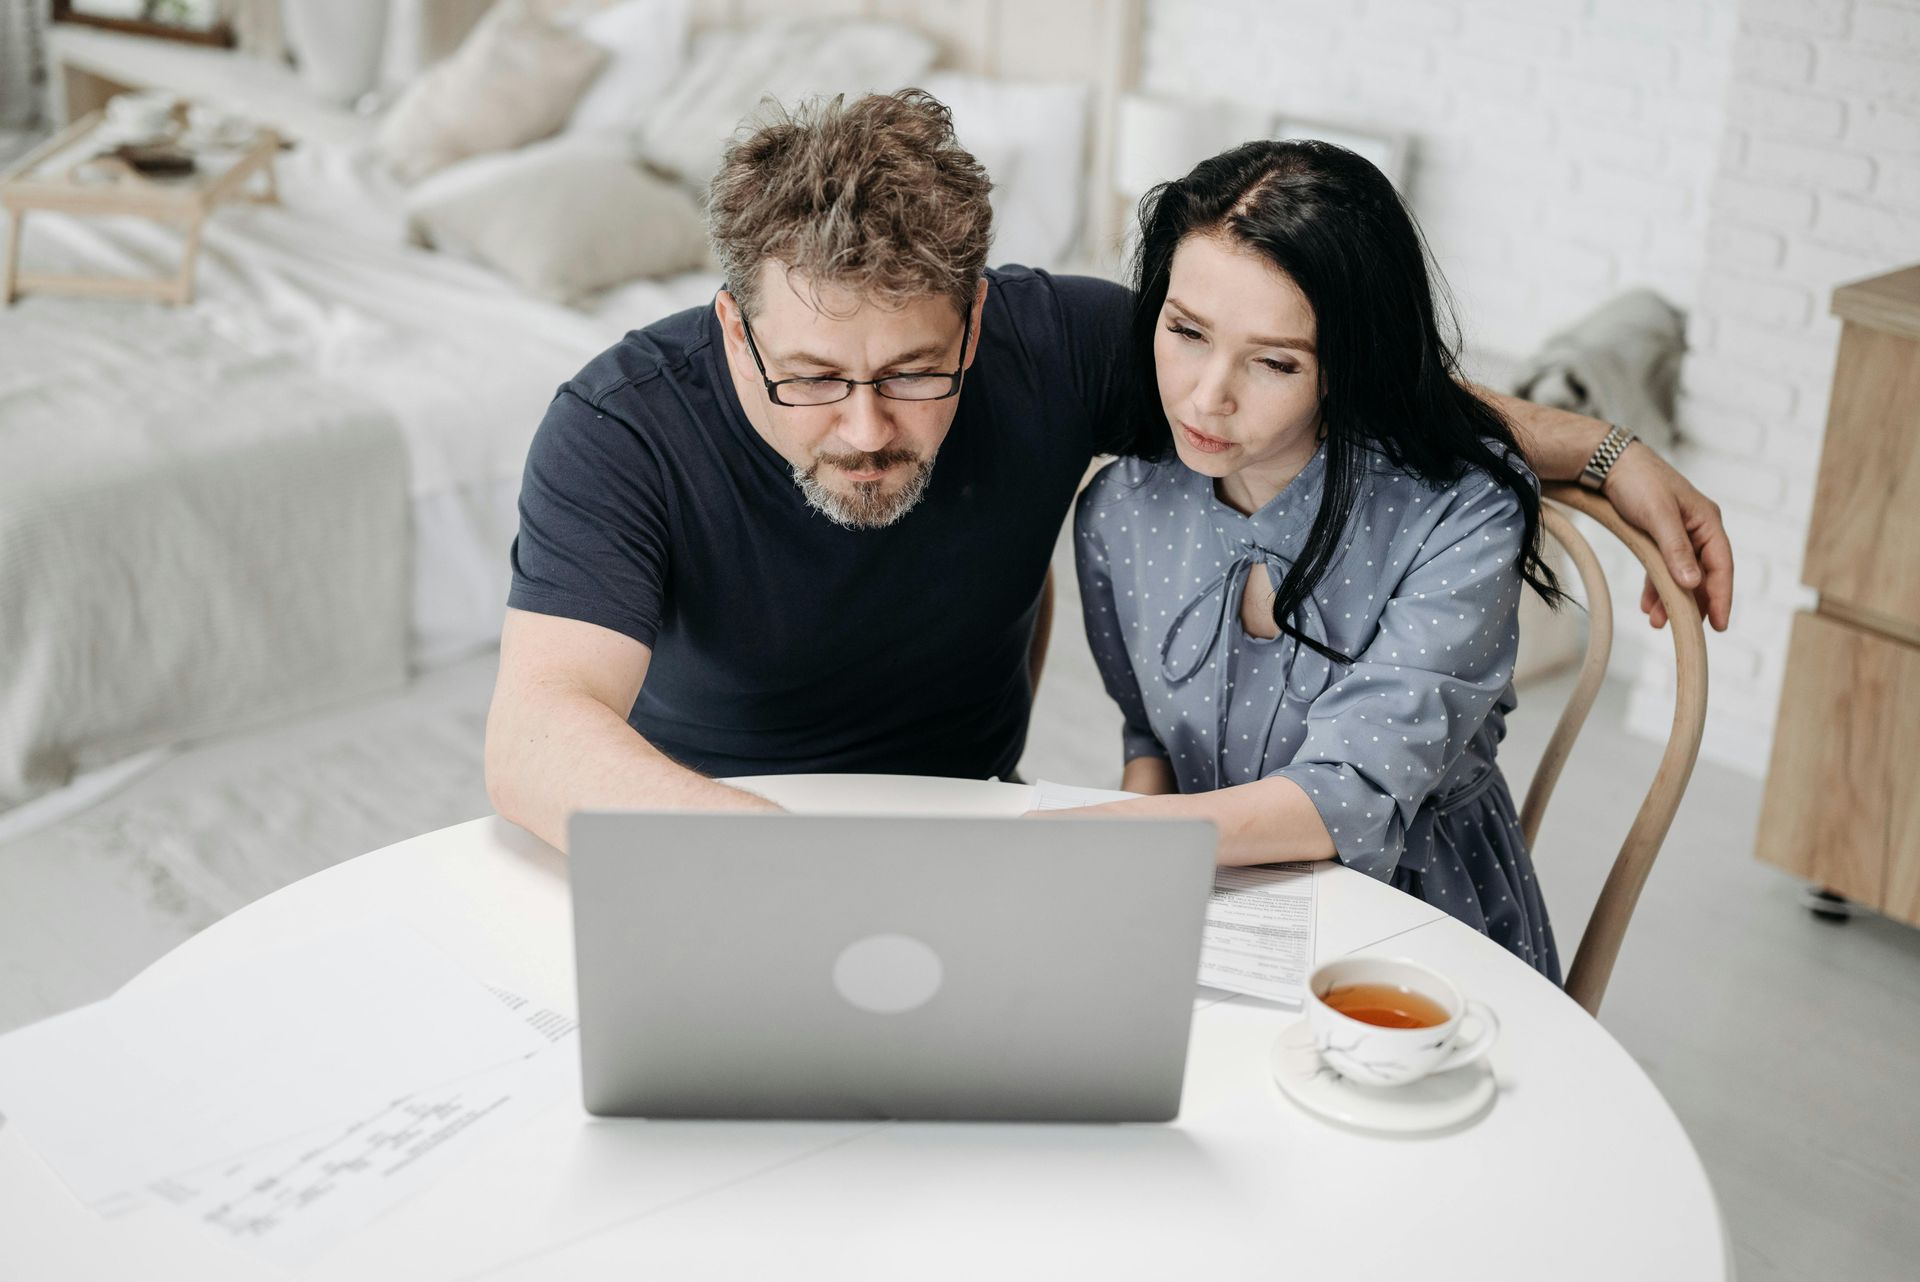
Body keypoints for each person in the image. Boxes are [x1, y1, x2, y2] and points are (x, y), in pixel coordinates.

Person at [485, 90, 1734, 858]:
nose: (865, 427)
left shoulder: (1062, 344)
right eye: (810, 376)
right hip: (702, 830)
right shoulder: (619, 426)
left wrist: (1598, 448)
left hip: (976, 820)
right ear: (731, 329)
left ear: (976, 325)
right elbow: (539, 734)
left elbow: (1333, 369)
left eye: (916, 371)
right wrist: (777, 861)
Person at [1064, 138, 1582, 976]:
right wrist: (1136, 885)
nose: (1207, 397)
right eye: (1187, 331)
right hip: (1207, 895)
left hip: (1417, 923)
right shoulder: (1120, 510)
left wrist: (1116, 837)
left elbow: (1354, 787)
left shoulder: (1457, 513)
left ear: (1346, 364)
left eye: (1273, 362)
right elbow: (1150, 740)